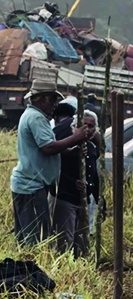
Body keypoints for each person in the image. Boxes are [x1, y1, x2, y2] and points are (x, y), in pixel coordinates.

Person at [11, 80, 89, 246]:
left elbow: (46, 148)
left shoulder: (37, 117)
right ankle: (29, 269)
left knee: (29, 235)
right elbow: (48, 148)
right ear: (42, 99)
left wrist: (70, 150)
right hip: (31, 187)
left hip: (32, 185)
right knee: (35, 238)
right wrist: (75, 137)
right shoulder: (36, 118)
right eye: (53, 100)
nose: (55, 104)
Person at [49, 98, 89, 256]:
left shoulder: (58, 131)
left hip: (65, 193)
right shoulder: (76, 131)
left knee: (66, 239)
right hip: (72, 195)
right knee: (75, 238)